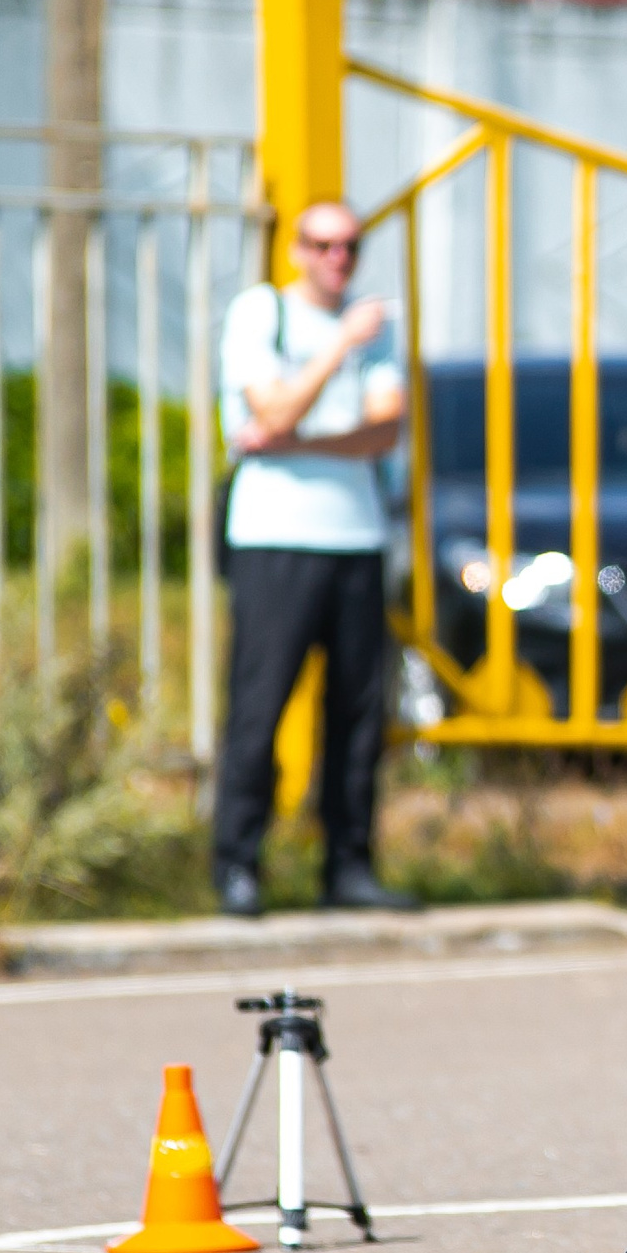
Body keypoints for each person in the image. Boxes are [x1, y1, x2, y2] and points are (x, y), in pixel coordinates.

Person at [212, 200, 414, 917]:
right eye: (325, 245)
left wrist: (297, 443)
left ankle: (348, 864)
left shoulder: (376, 327)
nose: (339, 258)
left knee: (358, 711)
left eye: (351, 246)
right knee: (260, 706)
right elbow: (271, 412)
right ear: (297, 249)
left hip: (355, 536)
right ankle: (238, 863)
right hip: (275, 537)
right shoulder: (260, 315)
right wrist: (335, 350)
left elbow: (382, 433)